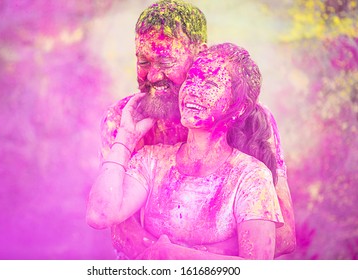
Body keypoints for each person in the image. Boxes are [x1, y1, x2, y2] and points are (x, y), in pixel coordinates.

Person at [98, 0, 295, 258]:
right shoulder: (125, 119)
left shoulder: (250, 117)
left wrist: (183, 255)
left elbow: (283, 236)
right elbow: (123, 233)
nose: (153, 75)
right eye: (144, 62)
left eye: (166, 62)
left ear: (199, 56)